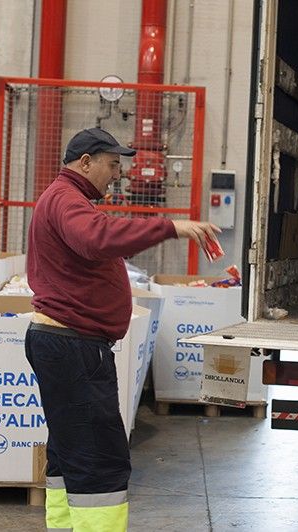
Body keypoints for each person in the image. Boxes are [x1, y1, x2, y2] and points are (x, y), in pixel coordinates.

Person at [24, 127, 219, 531]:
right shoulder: (66, 199)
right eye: (112, 164)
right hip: (73, 347)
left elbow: (93, 243)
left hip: (66, 344)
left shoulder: (67, 199)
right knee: (98, 456)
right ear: (85, 162)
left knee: (69, 449)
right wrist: (169, 227)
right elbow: (95, 239)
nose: (117, 173)